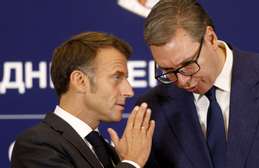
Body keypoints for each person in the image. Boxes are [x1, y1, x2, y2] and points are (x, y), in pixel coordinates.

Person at [136, 0, 259, 168]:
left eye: (188, 65)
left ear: (211, 38)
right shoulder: (152, 109)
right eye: (168, 70)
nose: (182, 81)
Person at [11, 32, 155, 168]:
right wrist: (132, 163)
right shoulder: (37, 146)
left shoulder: (111, 153)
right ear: (80, 80)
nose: (129, 91)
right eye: (117, 77)